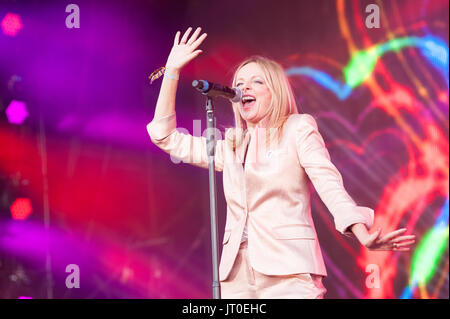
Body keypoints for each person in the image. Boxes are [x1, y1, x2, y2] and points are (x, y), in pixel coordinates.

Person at [147, 27, 416, 299]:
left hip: (289, 271)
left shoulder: (298, 129)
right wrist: (171, 72)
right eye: (239, 84)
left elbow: (328, 184)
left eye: (256, 82)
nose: (244, 88)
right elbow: (165, 136)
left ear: (275, 92)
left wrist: (361, 232)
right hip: (235, 276)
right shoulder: (230, 145)